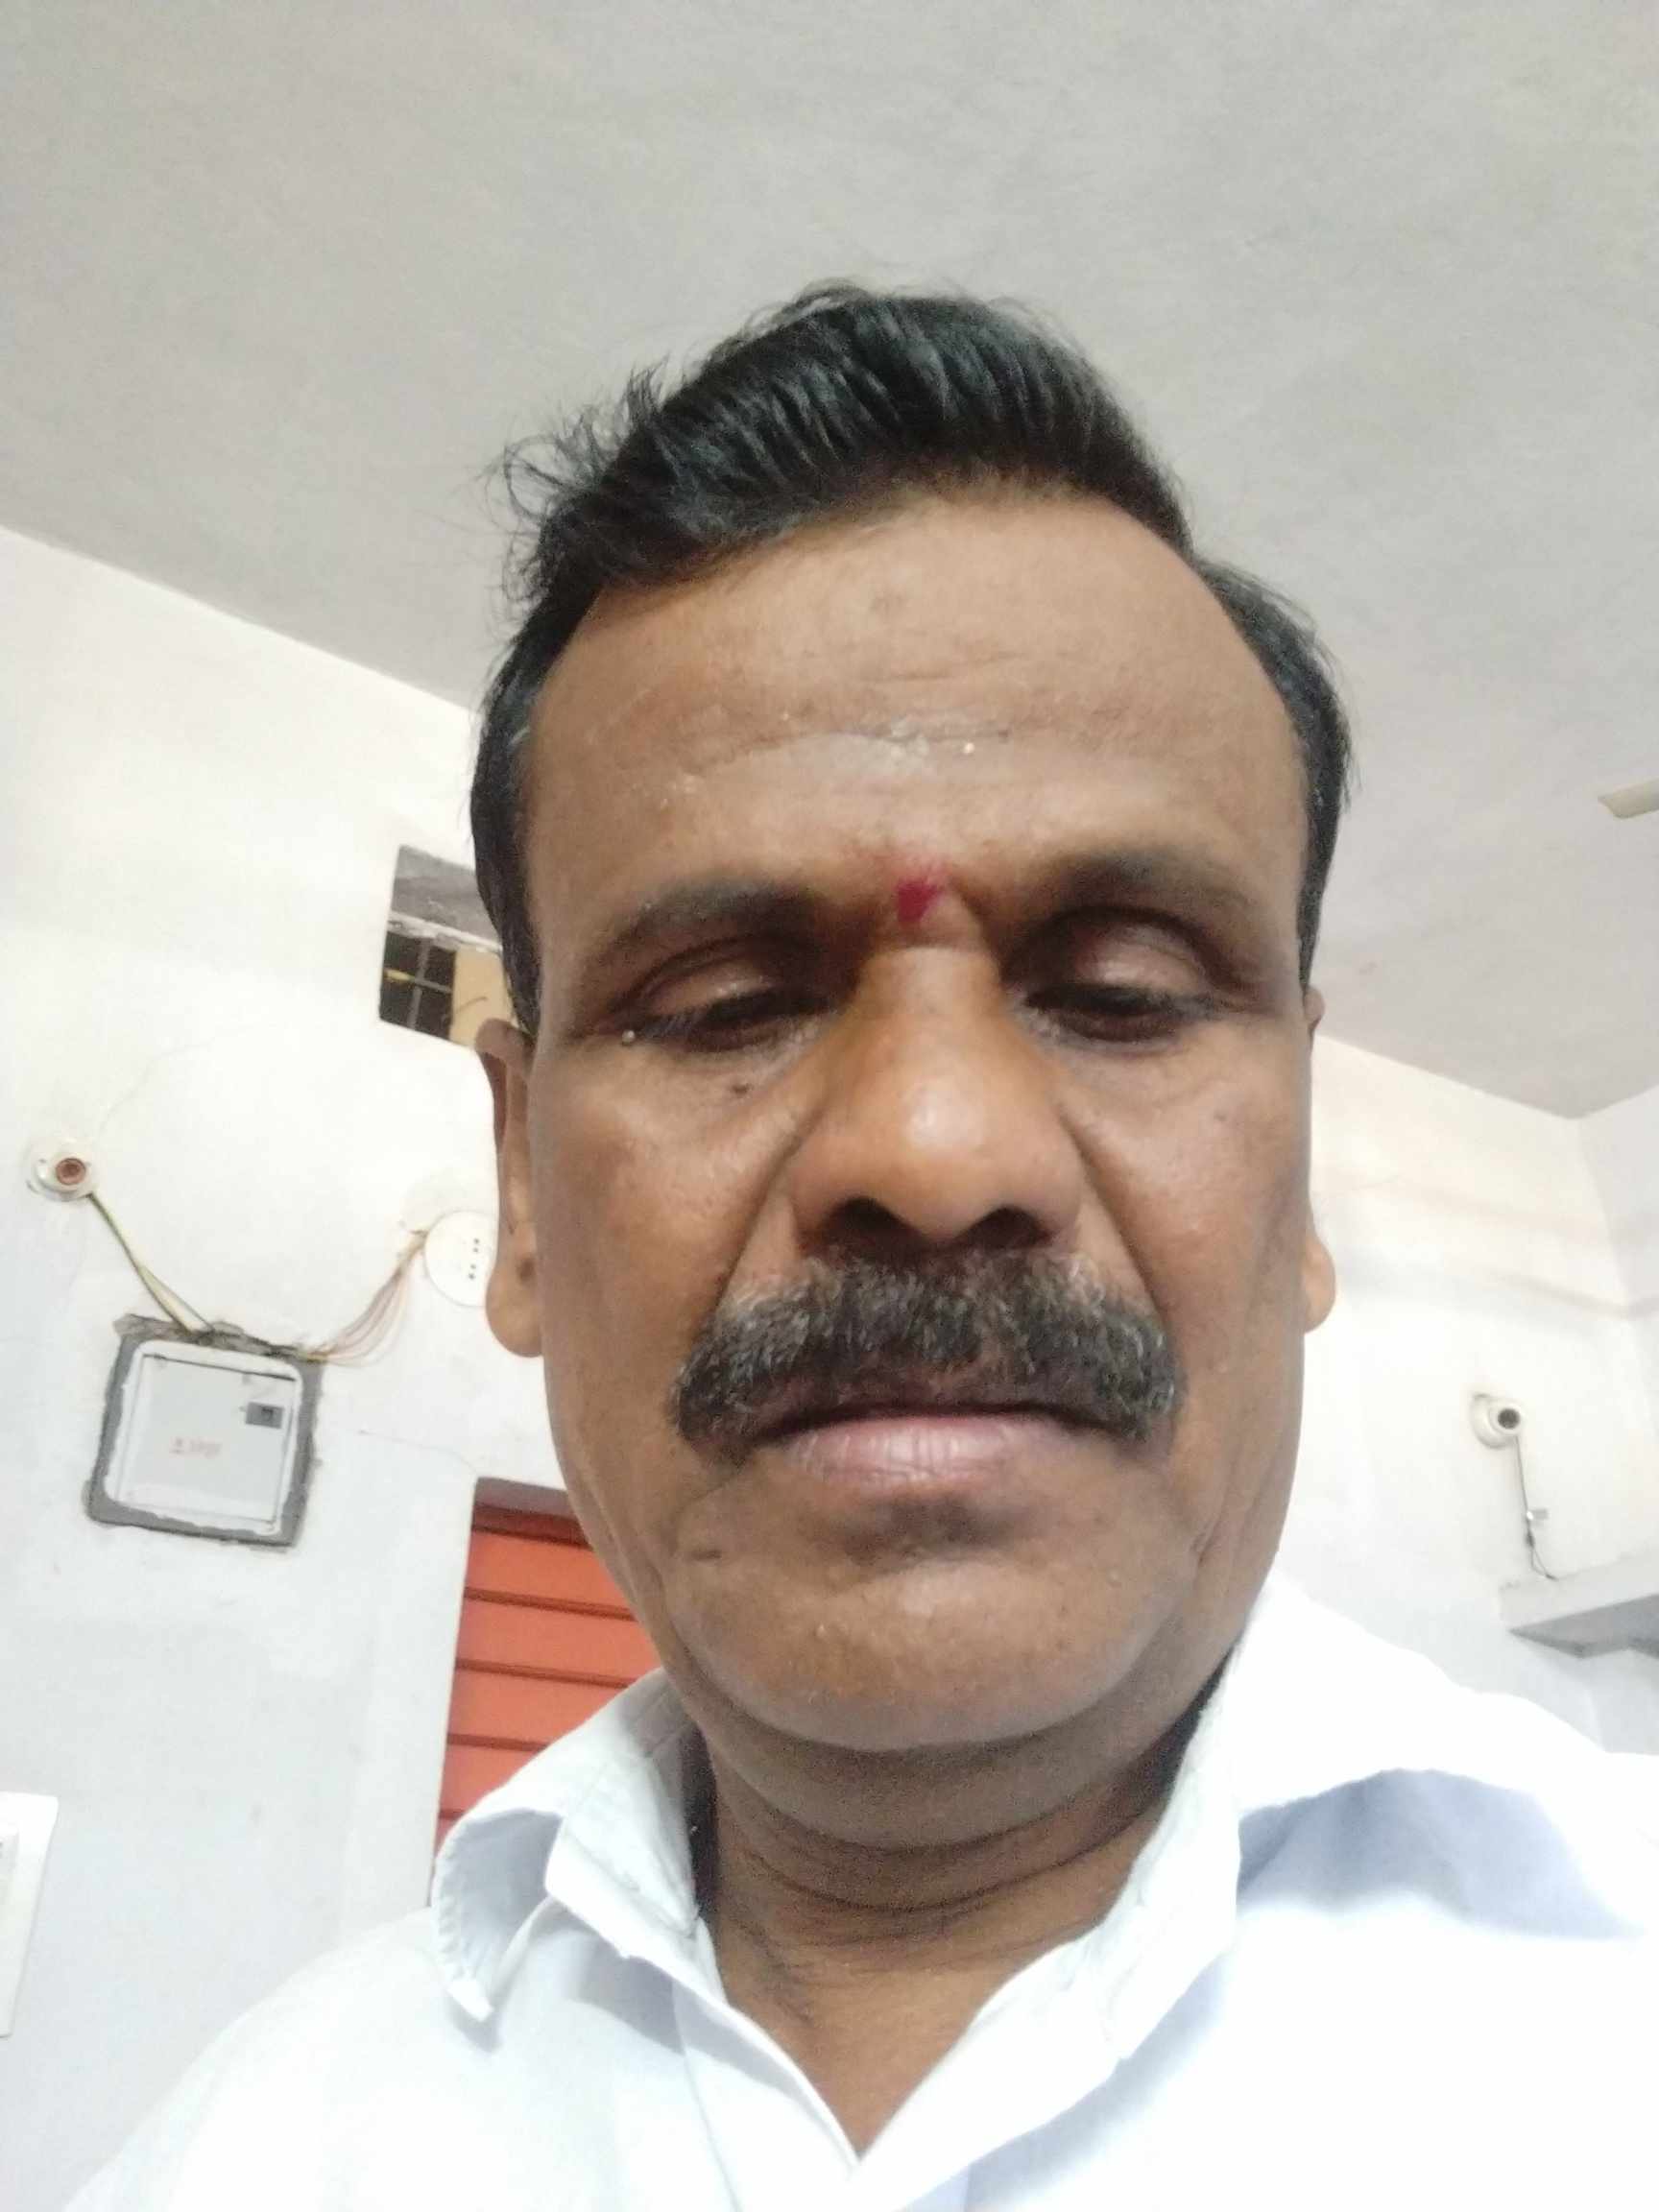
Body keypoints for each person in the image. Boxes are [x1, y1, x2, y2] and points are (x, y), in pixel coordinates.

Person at [75, 287, 1656, 2210]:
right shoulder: (247, 2152)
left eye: (1123, 990)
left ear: (1301, 1171)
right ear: (521, 1195)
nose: (931, 1149)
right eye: (724, 1004)